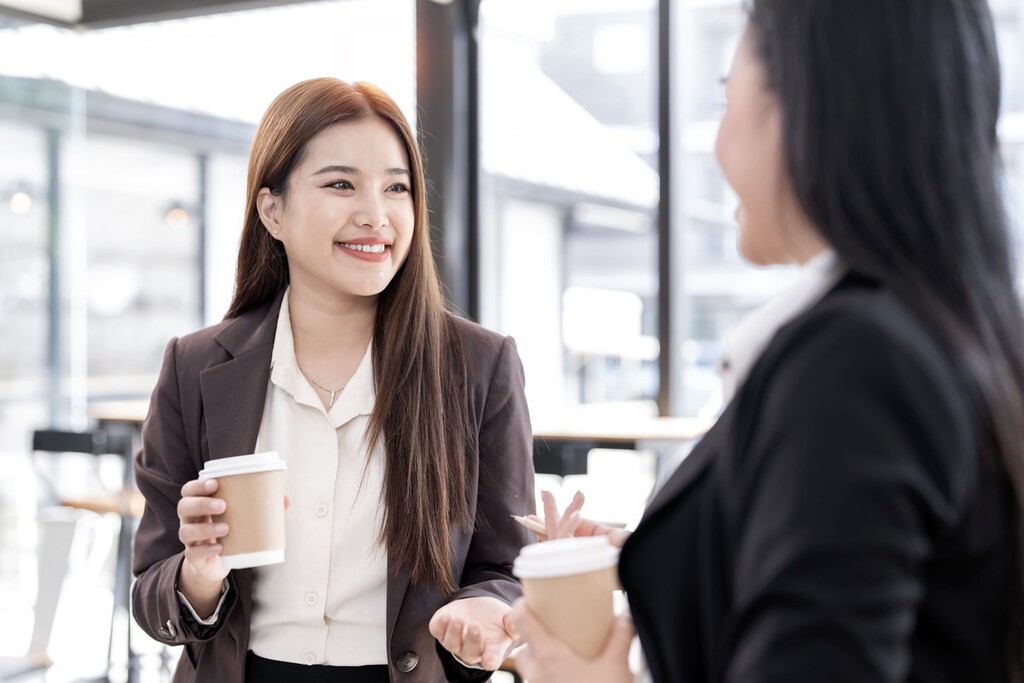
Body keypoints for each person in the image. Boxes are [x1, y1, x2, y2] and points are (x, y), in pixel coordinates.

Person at [511, 1, 1024, 681]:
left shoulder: (855, 364)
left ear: (810, 104)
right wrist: (685, 552)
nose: (719, 143)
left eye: (727, 98)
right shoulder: (945, 330)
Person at [131, 77, 536, 683]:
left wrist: (488, 610)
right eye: (341, 184)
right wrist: (199, 574)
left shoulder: (478, 366)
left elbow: (506, 568)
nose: (375, 215)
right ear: (273, 209)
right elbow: (149, 590)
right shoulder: (196, 368)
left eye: (396, 188)